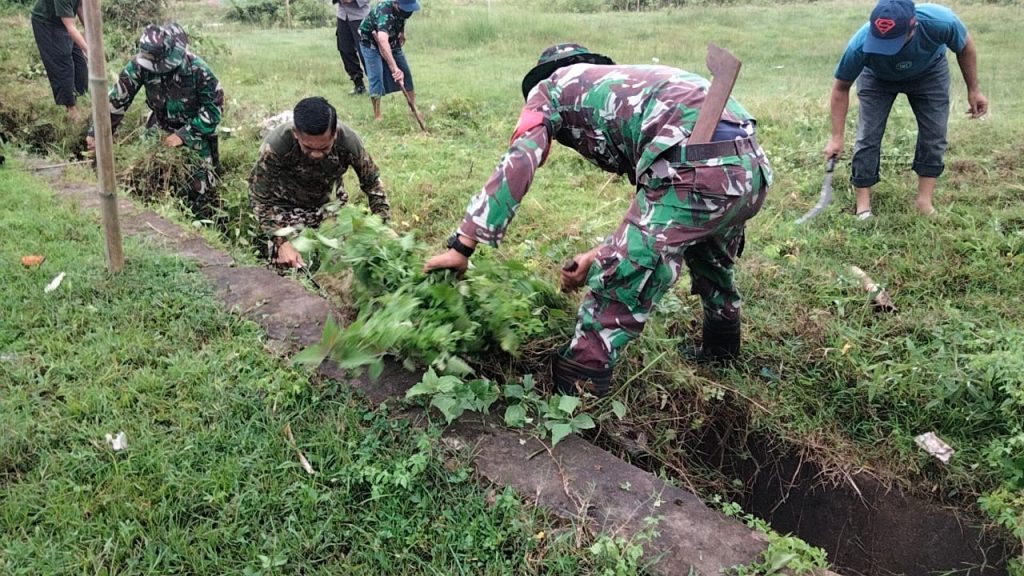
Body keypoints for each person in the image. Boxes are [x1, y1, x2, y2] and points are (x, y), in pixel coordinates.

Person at [423, 44, 772, 397]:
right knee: (712, 260)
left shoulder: (550, 88)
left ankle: (577, 390)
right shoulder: (623, 85)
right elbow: (658, 200)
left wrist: (462, 245)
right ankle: (721, 352)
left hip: (695, 172)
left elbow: (521, 158)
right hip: (750, 167)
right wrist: (597, 253)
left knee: (619, 283)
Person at [824, 0, 988, 219]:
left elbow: (965, 46)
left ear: (913, 28)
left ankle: (924, 202)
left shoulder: (940, 22)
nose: (886, 49)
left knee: (934, 134)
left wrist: (974, 90)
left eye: (892, 42)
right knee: (868, 136)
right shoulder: (860, 43)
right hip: (877, 78)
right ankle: (863, 206)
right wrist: (837, 137)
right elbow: (840, 88)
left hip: (929, 72)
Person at [87, 22, 224, 220]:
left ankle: (200, 224)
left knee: (200, 192)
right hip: (158, 129)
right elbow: (116, 101)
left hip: (195, 133)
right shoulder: (139, 66)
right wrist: (96, 133)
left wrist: (183, 136)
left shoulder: (198, 70)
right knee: (142, 181)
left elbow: (213, 111)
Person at [249, 97, 391, 269]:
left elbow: (373, 183)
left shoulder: (349, 141)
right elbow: (259, 199)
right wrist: (281, 241)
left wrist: (382, 226)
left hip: (331, 206)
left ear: (335, 133)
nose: (316, 154)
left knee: (352, 260)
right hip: (285, 207)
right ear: (296, 133)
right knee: (290, 266)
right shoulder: (276, 147)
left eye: (324, 148)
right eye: (308, 148)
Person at [358, 0, 420, 121]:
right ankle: (377, 115)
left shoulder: (403, 11)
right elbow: (382, 40)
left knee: (406, 72)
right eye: (405, 9)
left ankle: (413, 108)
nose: (408, 12)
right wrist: (394, 68)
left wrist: (401, 32)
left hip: (392, 39)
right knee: (376, 76)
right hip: (370, 41)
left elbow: (402, 19)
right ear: (396, 3)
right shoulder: (384, 12)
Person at [30, 0, 88, 121]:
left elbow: (80, 6)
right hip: (46, 23)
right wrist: (90, 50)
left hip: (63, 21)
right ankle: (71, 109)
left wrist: (89, 31)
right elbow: (70, 26)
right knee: (63, 63)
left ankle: (82, 99)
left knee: (80, 63)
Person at [335, 0, 370, 96]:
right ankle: (358, 84)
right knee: (345, 49)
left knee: (365, 51)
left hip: (360, 16)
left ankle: (376, 85)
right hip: (342, 16)